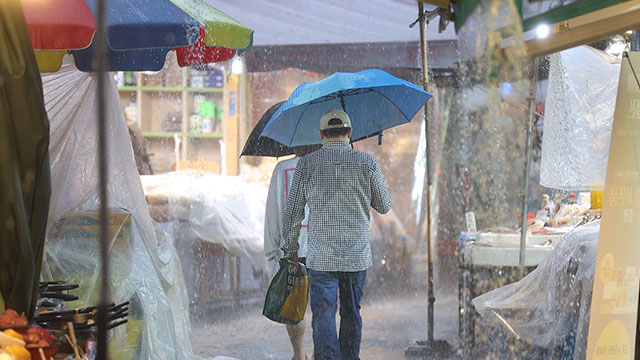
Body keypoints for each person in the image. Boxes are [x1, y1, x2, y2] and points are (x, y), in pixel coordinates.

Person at [281, 108, 391, 360]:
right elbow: (384, 206)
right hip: (356, 256)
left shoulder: (306, 164)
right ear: (350, 133)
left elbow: (292, 213)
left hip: (321, 257)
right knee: (352, 312)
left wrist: (291, 250)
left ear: (321, 135)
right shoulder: (367, 163)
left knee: (323, 314)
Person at [264, 144, 320, 360]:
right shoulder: (327, 165)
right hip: (323, 248)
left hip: (291, 248)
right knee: (322, 305)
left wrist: (272, 247)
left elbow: (273, 209)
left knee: (294, 306)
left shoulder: (283, 169)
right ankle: (318, 353)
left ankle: (299, 354)